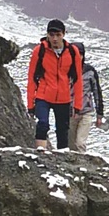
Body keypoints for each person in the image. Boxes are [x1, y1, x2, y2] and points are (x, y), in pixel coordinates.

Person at [25, 19, 84, 149]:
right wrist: (30, 104)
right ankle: (40, 154)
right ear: (47, 35)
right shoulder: (39, 51)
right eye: (52, 35)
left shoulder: (73, 52)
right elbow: (32, 78)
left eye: (58, 35)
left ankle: (62, 161)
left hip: (63, 97)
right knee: (43, 124)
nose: (55, 38)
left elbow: (78, 79)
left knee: (62, 130)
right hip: (43, 95)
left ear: (63, 34)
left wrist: (77, 104)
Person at [71, 47, 107, 148]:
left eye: (80, 55)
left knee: (80, 143)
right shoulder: (64, 71)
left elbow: (97, 91)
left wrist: (99, 114)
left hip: (86, 111)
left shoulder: (90, 71)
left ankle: (81, 163)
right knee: (70, 145)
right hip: (69, 113)